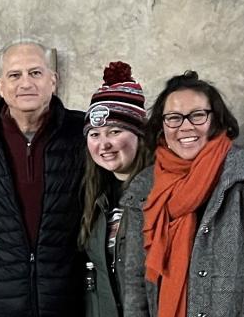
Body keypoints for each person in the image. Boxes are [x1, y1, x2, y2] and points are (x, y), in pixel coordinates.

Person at [123, 70, 244, 317]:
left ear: (216, 120)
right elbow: (135, 281)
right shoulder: (145, 187)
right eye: (173, 118)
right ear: (162, 125)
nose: (185, 127)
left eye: (197, 115)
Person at [0, 40, 86, 317]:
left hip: (67, 298)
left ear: (53, 81)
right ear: (0, 87)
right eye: (15, 75)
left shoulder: (81, 134)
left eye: (35, 73)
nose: (25, 83)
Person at [79, 61, 151, 317]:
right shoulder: (93, 195)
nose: (104, 144)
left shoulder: (161, 191)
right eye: (94, 134)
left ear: (139, 135)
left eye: (115, 131)